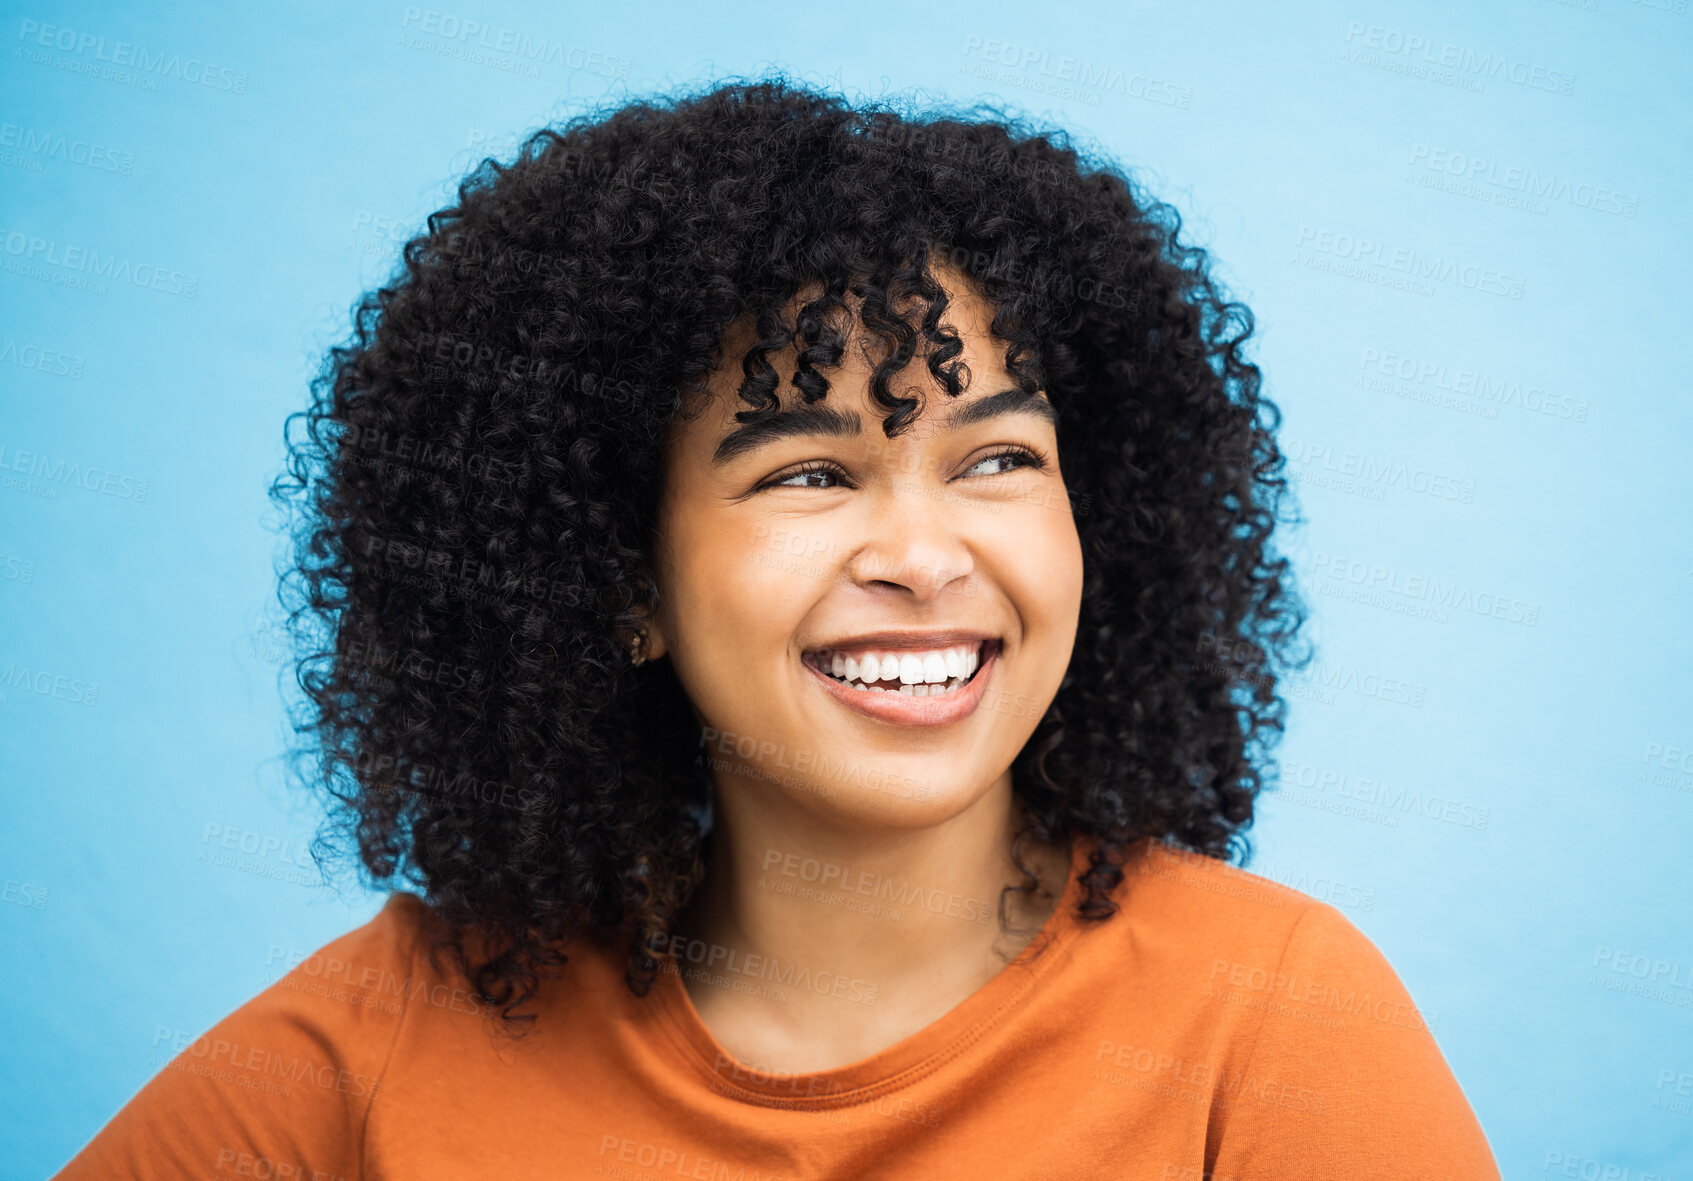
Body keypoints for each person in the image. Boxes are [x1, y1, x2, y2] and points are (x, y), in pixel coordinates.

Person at [53, 77, 1502, 1178]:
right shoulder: (388, 1033)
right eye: (808, 473)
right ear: (618, 580)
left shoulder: (1274, 1021)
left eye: (997, 458)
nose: (925, 555)